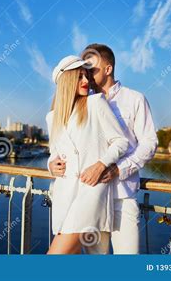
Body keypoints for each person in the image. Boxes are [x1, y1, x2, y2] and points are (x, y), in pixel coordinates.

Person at [49, 44, 158, 254]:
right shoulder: (82, 102)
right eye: (83, 70)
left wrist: (118, 169)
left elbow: (149, 143)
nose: (87, 75)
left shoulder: (135, 99)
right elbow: (63, 146)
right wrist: (51, 164)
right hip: (89, 197)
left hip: (121, 196)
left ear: (108, 69)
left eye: (91, 68)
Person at [46, 55, 130, 254]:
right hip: (65, 194)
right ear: (66, 82)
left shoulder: (95, 103)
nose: (86, 81)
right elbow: (54, 152)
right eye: (80, 77)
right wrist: (51, 165)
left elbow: (121, 142)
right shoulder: (52, 117)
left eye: (86, 76)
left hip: (92, 192)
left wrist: (100, 165)